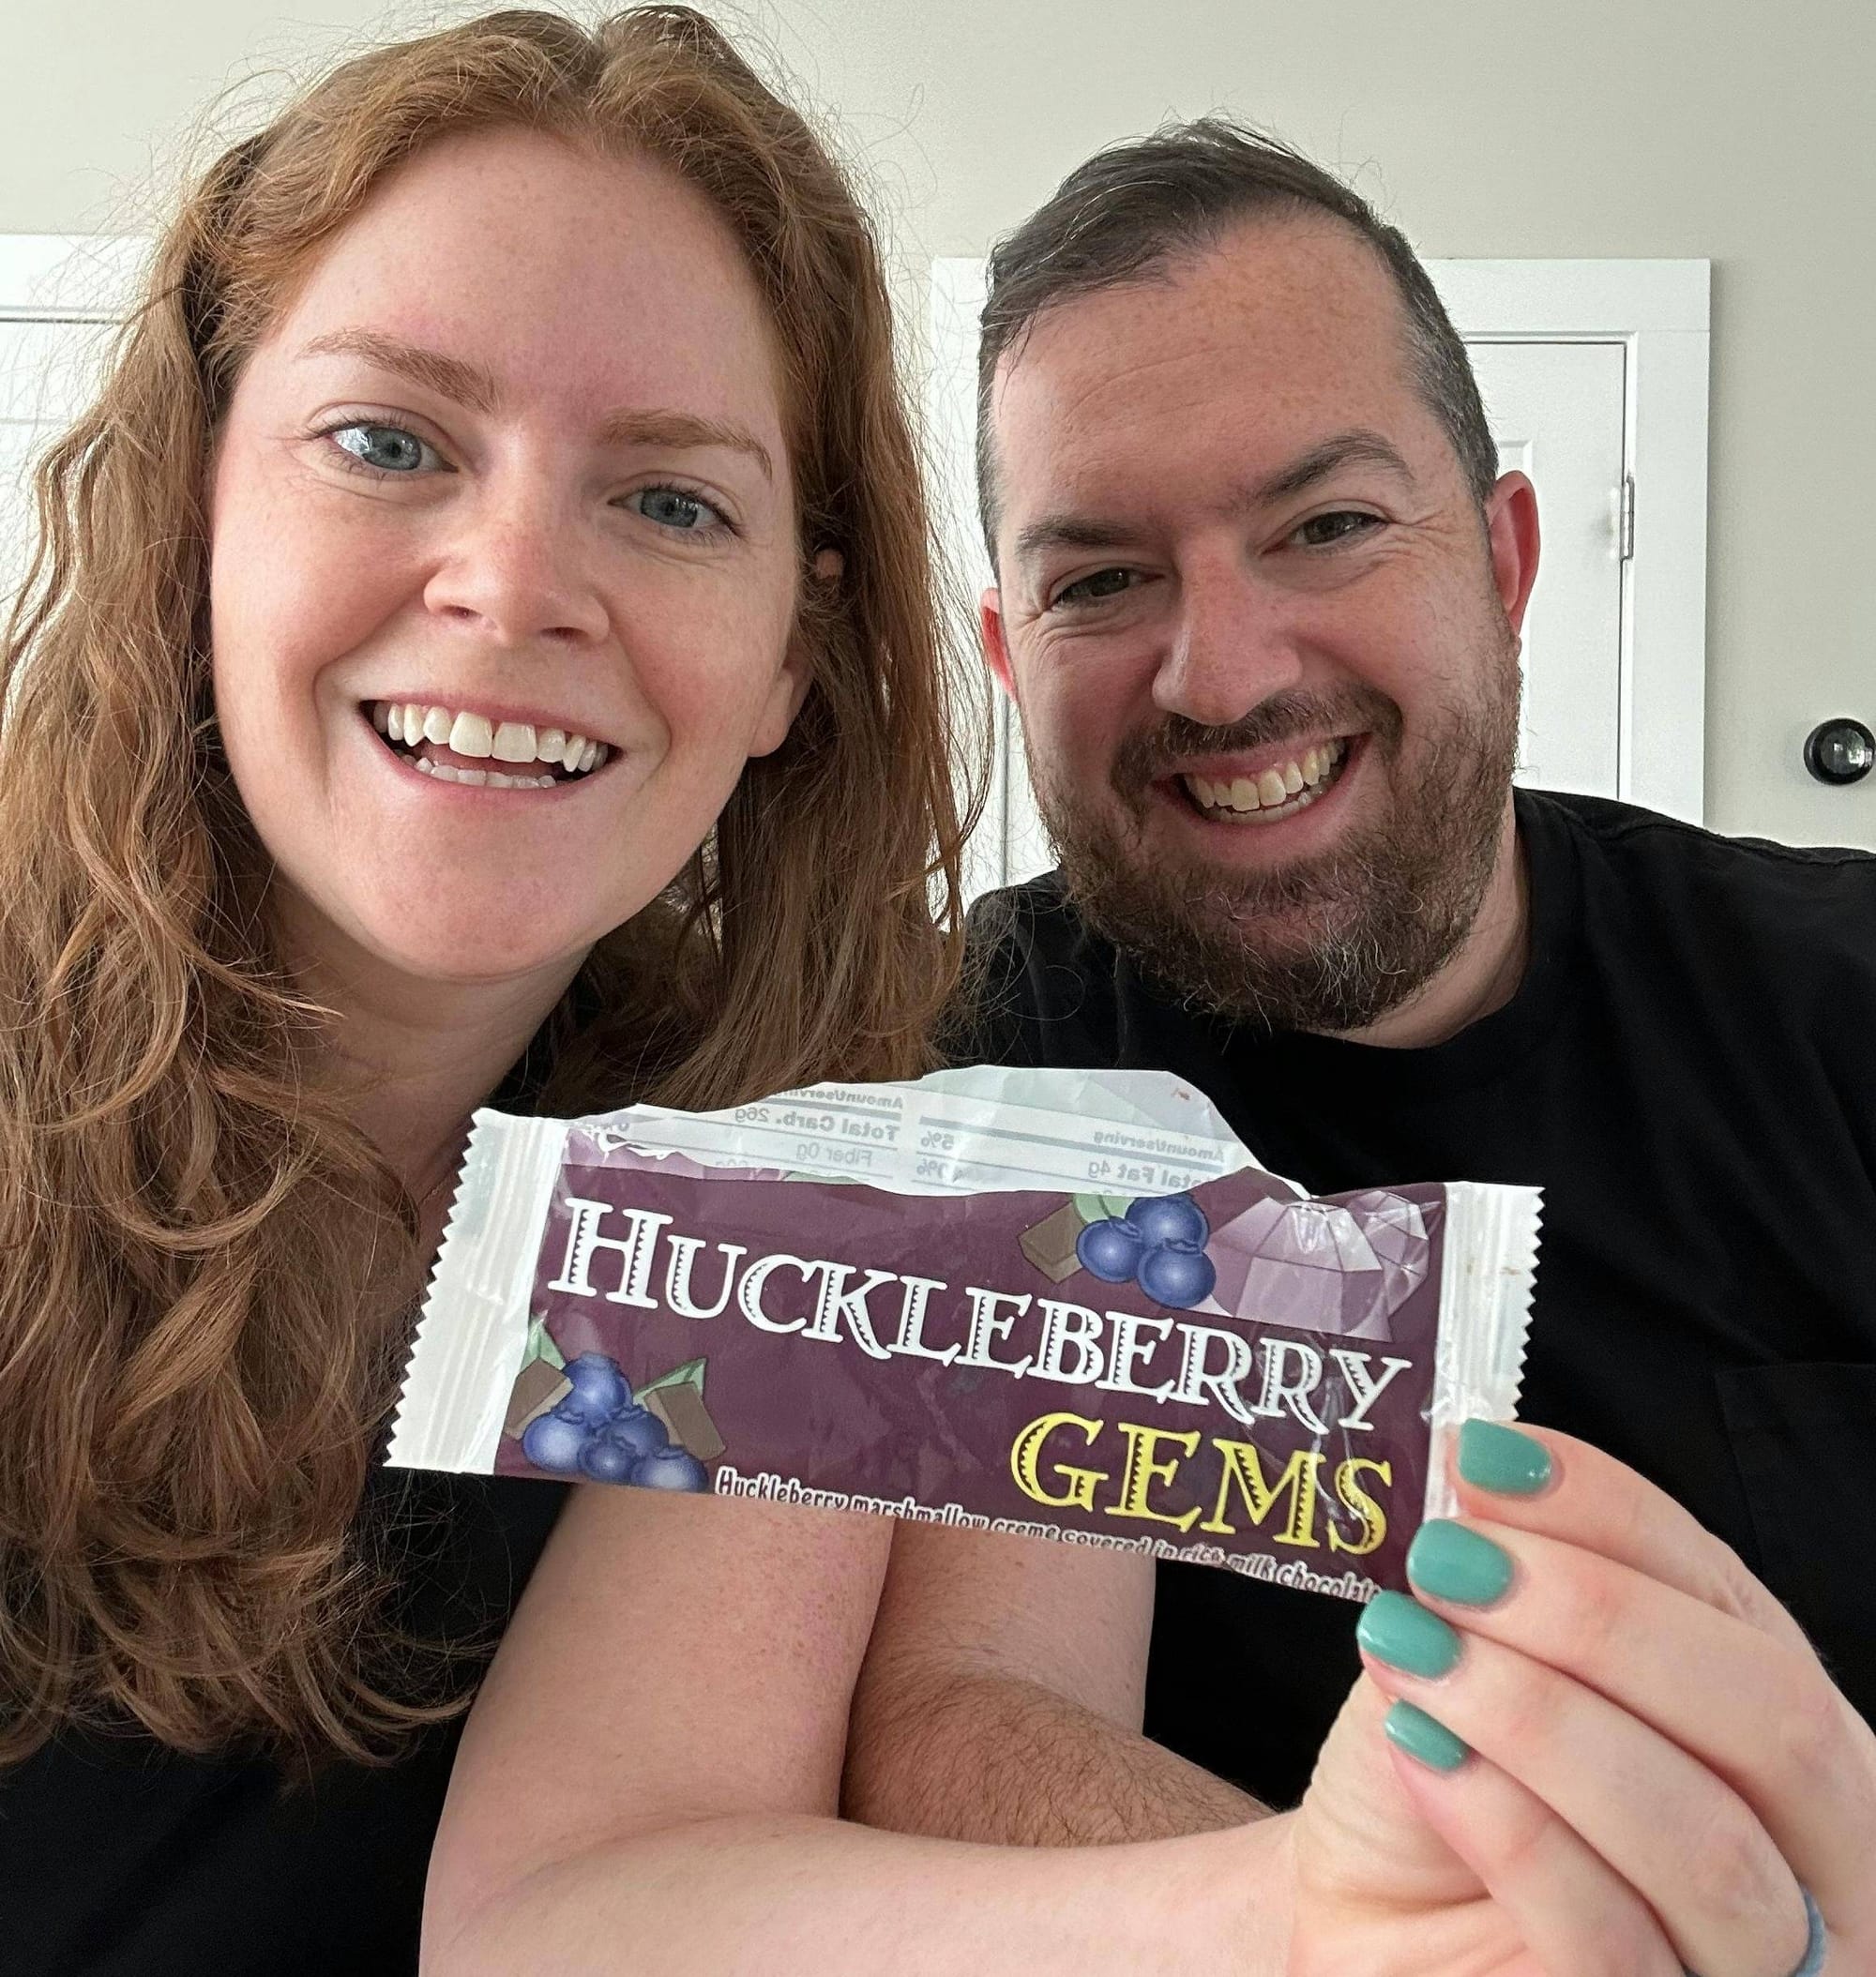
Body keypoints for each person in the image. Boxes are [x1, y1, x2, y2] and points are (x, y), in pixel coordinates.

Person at [841, 120, 1876, 1974]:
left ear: (1504, 560)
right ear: (1008, 653)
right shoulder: (948, 1074)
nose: (1226, 675)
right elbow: (959, 1715)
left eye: (1323, 527)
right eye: (1101, 580)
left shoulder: (1841, 1004)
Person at [0, 9, 978, 1969]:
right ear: (194, 514)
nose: (515, 586)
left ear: (793, 659)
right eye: (388, 442)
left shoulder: (794, 1199)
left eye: (673, 500)